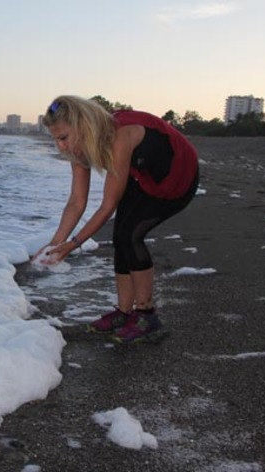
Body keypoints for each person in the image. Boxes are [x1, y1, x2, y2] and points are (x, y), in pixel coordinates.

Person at [36, 95, 199, 343]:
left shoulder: (120, 136)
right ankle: (124, 313)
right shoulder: (79, 149)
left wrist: (73, 244)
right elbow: (76, 202)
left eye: (63, 137)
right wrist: (55, 243)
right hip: (142, 177)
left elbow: (107, 206)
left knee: (131, 235)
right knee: (120, 236)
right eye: (55, 139)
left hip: (178, 177)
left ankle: (146, 316)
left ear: (83, 127)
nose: (61, 146)